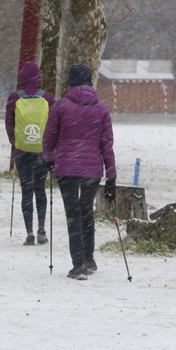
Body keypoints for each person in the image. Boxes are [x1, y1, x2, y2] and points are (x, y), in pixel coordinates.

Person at [42, 63, 116, 280]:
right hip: (92, 170)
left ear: (71, 83)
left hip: (66, 167)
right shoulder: (101, 108)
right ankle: (89, 258)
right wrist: (111, 175)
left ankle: (79, 264)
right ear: (90, 82)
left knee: (73, 215)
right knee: (87, 212)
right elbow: (107, 145)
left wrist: (49, 159)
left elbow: (49, 137)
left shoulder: (60, 106)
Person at [4, 62, 56, 246]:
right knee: (40, 188)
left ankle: (29, 233)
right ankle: (42, 228)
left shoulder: (14, 98)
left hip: (22, 150)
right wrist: (50, 148)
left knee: (27, 190)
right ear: (39, 78)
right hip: (41, 151)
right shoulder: (48, 98)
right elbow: (53, 126)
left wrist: (15, 142)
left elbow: (9, 124)